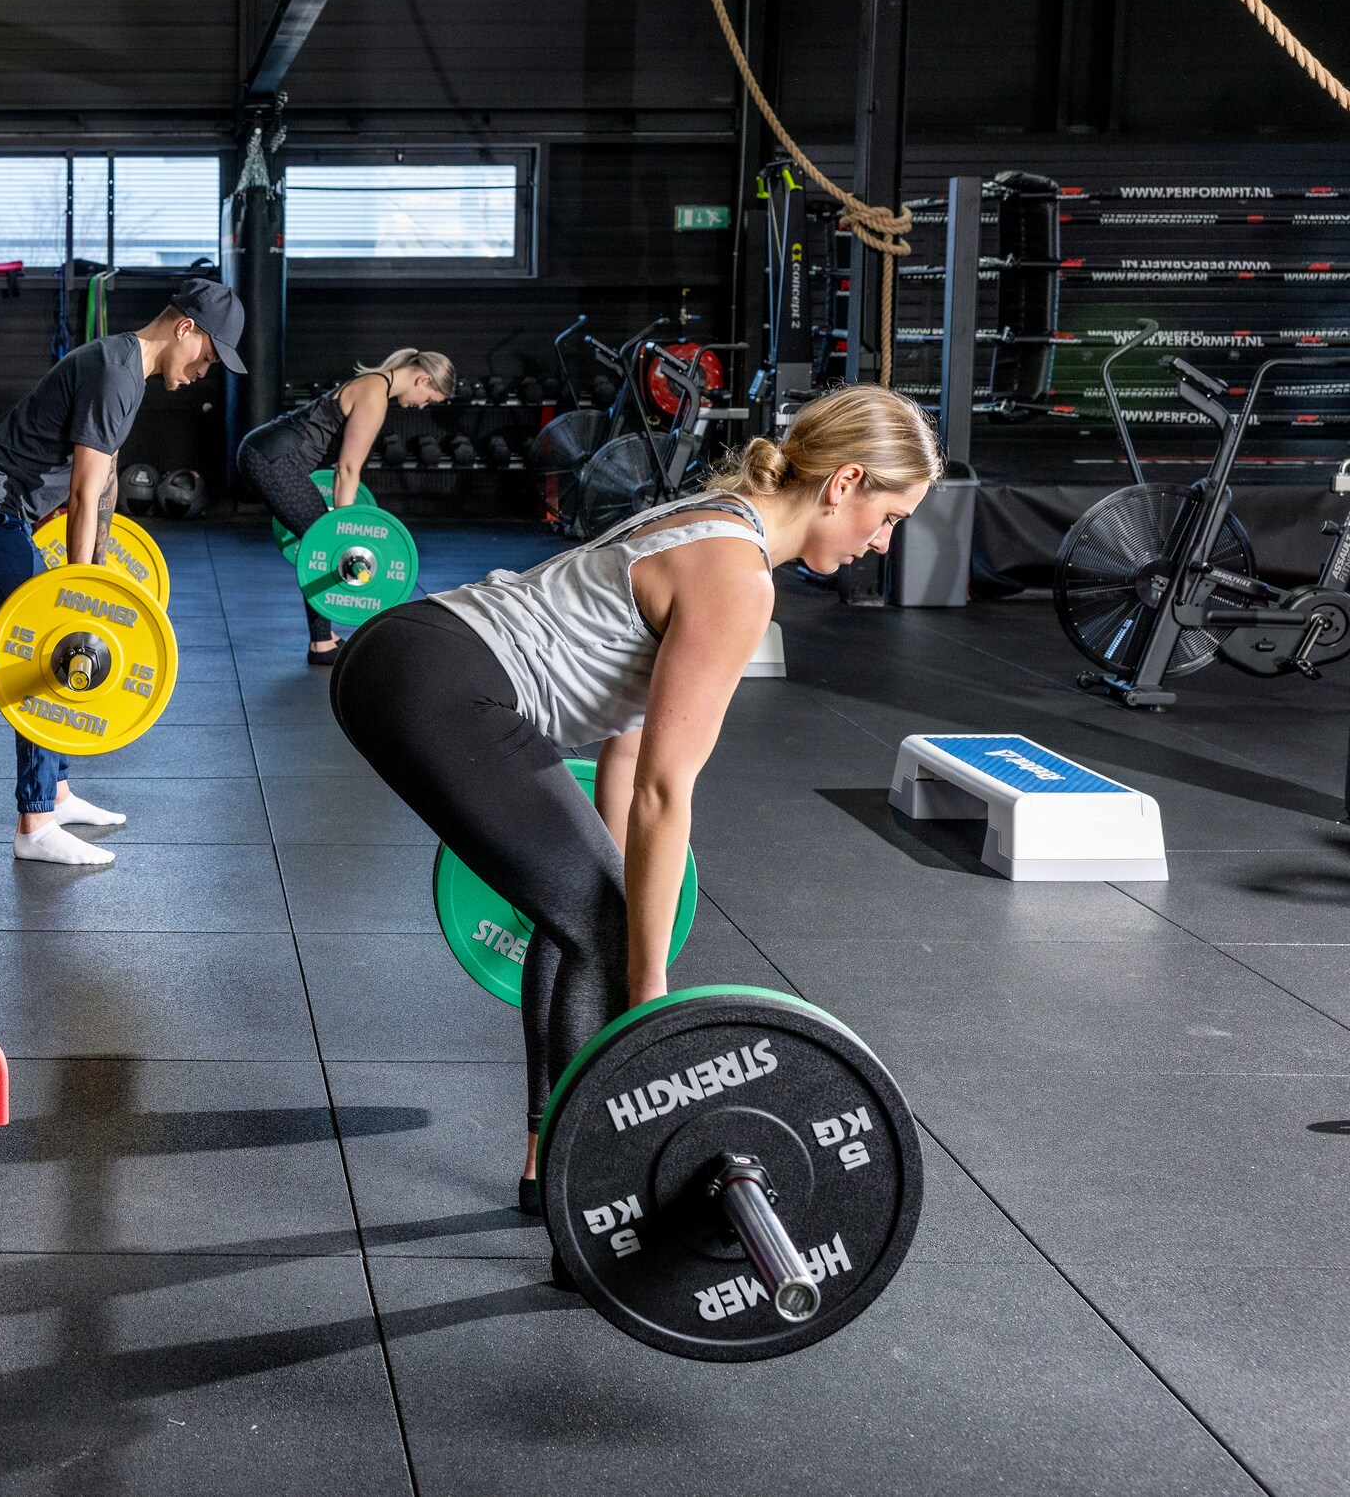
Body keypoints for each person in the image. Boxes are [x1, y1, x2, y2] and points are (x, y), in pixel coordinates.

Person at [326, 385, 940, 1281]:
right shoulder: (738, 579)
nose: (882, 543)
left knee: (581, 906)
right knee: (603, 924)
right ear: (845, 482)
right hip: (444, 681)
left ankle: (552, 1167)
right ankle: (592, 1214)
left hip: (408, 655)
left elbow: (629, 748)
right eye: (889, 517)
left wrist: (608, 907)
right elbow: (666, 791)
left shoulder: (711, 518)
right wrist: (645, 991)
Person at [0, 278, 245, 866]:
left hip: (0, 507)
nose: (206, 371)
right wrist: (80, 598)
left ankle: (57, 794)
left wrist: (99, 565)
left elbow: (106, 483)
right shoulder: (117, 370)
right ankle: (35, 824)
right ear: (185, 329)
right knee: (45, 649)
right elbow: (82, 487)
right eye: (210, 357)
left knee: (51, 641)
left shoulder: (123, 365)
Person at [235, 349, 455, 663]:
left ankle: (323, 638)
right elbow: (348, 469)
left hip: (270, 454)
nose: (423, 406)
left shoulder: (373, 384)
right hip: (272, 458)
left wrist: (338, 528)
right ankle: (320, 644)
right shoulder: (375, 395)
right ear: (423, 379)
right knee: (323, 544)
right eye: (429, 399)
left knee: (319, 543)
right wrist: (343, 530)